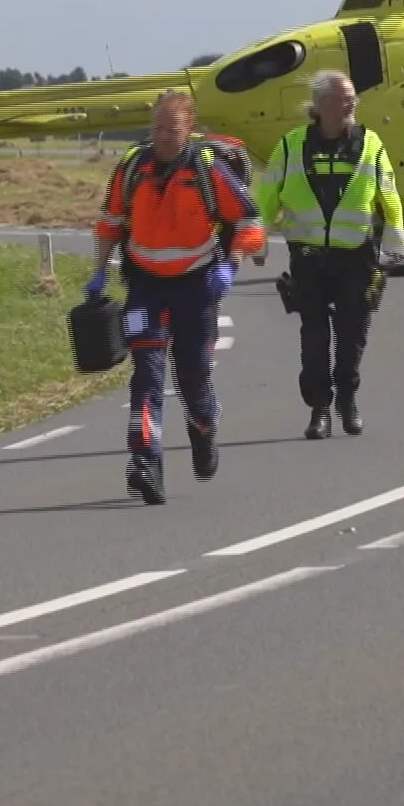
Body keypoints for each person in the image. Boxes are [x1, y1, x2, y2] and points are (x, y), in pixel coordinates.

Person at [89, 90, 265, 505]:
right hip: (144, 288)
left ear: (190, 129)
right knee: (147, 376)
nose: (163, 136)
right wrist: (98, 273)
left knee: (193, 379)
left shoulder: (209, 171)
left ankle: (204, 427)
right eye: (157, 128)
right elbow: (110, 221)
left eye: (172, 128)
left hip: (197, 287)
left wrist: (231, 264)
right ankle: (145, 464)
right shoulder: (132, 167)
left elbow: (249, 220)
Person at [252, 69, 404, 440]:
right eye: (343, 97)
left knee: (353, 332)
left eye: (353, 96)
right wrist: (256, 239)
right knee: (315, 334)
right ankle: (319, 408)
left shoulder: (371, 144)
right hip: (308, 257)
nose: (352, 102)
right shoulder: (290, 146)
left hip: (357, 255)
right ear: (321, 104)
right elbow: (266, 197)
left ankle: (348, 399)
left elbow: (388, 192)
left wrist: (396, 235)